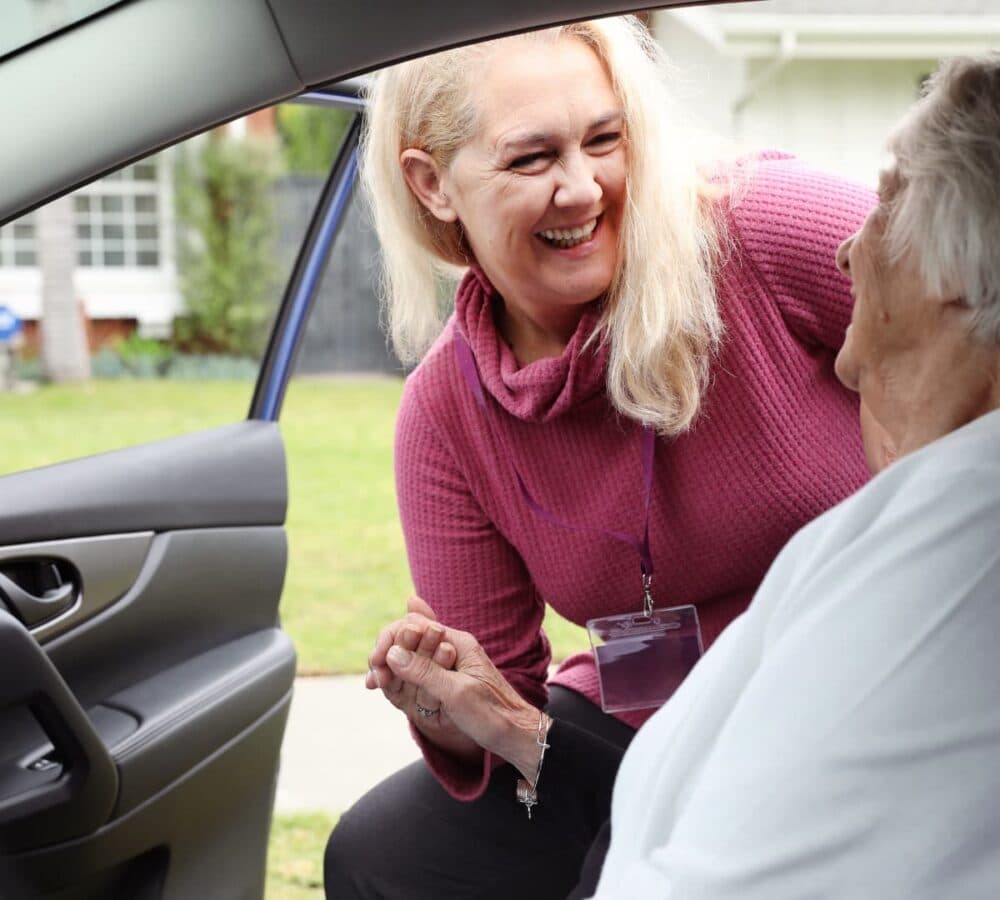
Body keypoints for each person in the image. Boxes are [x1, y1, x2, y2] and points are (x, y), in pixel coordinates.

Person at [375, 52, 1000, 898]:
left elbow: (953, 284)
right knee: (383, 855)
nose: (584, 188)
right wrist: (453, 713)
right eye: (532, 158)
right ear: (432, 184)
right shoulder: (444, 414)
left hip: (852, 662)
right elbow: (500, 695)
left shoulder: (759, 225)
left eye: (605, 140)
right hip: (646, 718)